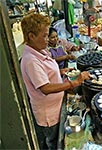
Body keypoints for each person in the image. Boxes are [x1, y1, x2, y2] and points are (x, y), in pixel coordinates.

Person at [20, 13, 90, 149]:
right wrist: (74, 82)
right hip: (49, 115)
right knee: (53, 142)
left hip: (56, 107)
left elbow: (45, 73)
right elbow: (44, 88)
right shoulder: (31, 60)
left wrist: (60, 72)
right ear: (31, 36)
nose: (47, 40)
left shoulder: (41, 51)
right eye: (44, 36)